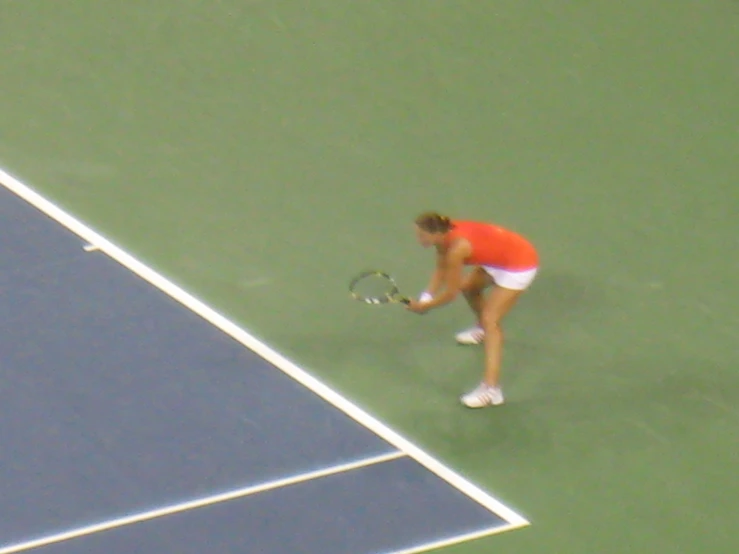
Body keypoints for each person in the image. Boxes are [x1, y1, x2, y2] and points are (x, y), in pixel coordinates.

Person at [406, 212, 539, 408]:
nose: (419, 240)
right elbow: (440, 269)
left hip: (520, 263)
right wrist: (426, 297)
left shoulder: (458, 249)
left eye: (423, 236)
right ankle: (481, 330)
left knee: (490, 320)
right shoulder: (444, 238)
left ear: (436, 234)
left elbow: (451, 294)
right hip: (501, 256)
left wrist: (425, 307)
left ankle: (491, 390)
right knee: (469, 288)